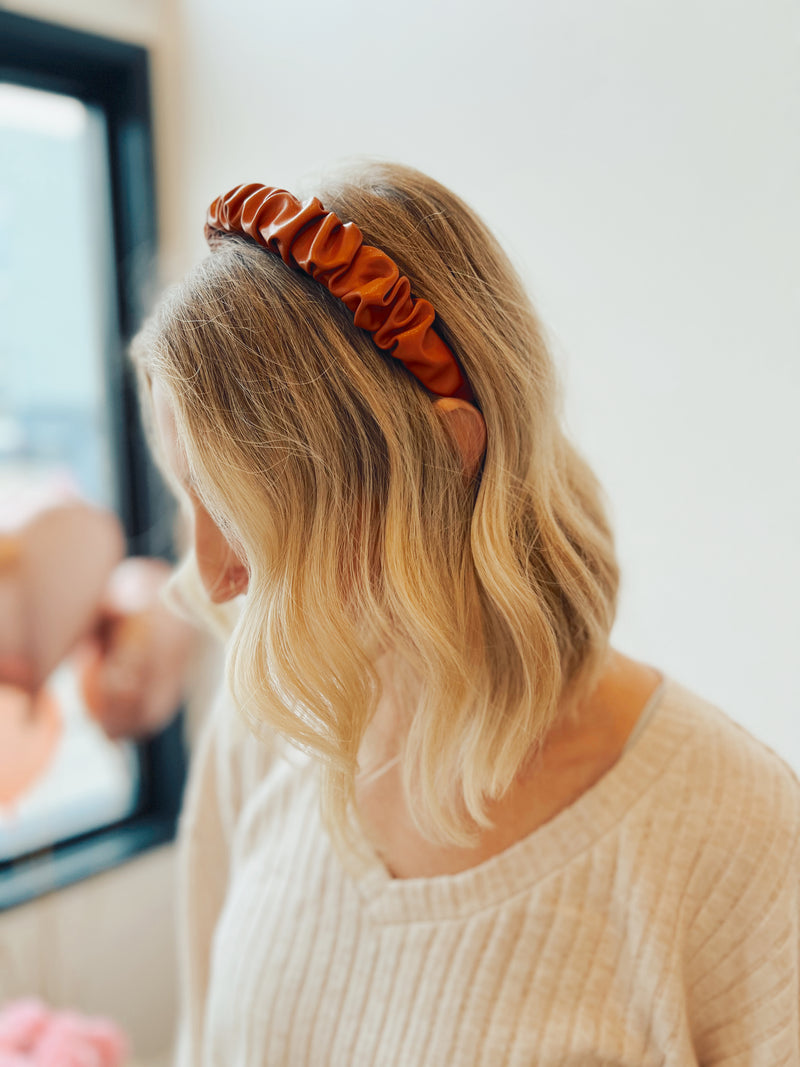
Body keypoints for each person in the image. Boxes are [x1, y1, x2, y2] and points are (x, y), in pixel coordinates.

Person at [129, 162, 800, 1065]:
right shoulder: (266, 736)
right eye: (190, 498)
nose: (212, 575)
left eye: (248, 510)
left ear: (444, 460)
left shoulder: (737, 839)